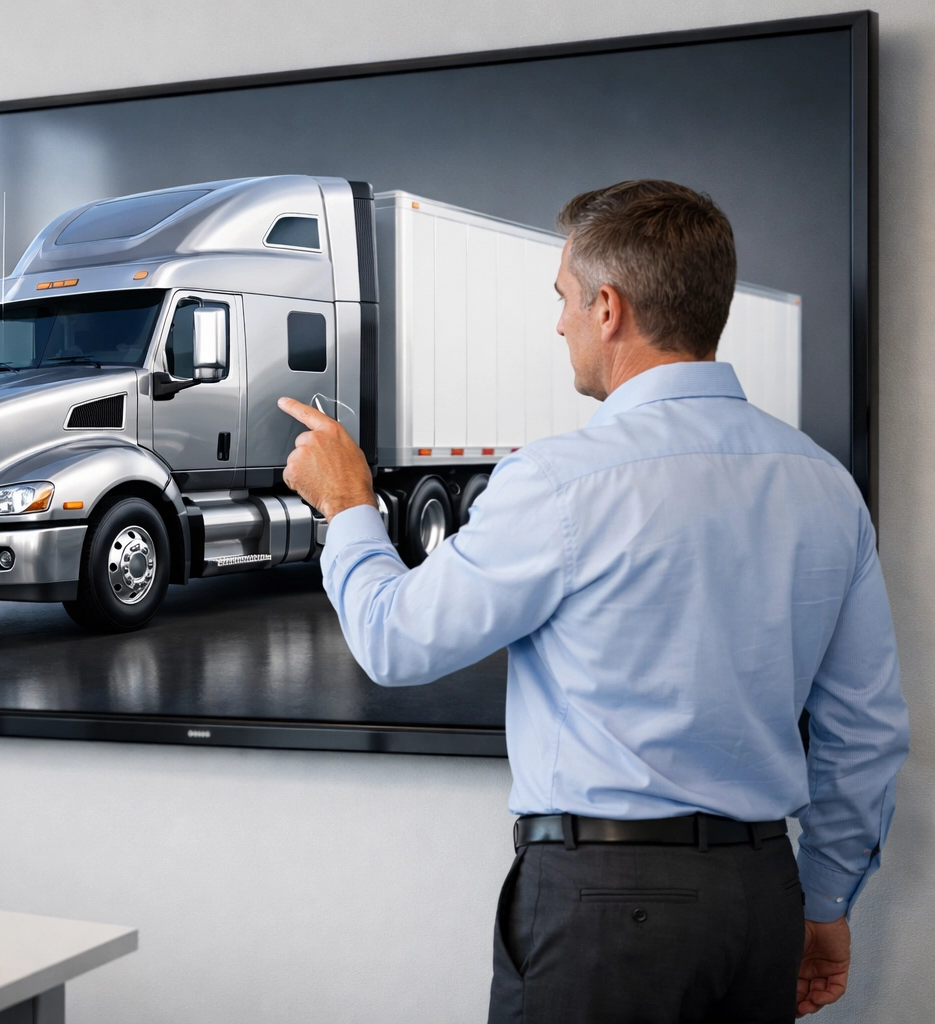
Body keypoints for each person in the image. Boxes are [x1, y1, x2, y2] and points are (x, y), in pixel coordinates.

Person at [278, 180, 908, 1023]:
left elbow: (395, 643)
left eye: (565, 299)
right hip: (762, 897)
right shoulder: (826, 486)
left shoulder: (562, 480)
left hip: (608, 910)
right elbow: (865, 731)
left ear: (608, 307)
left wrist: (348, 505)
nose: (560, 323)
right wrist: (825, 904)